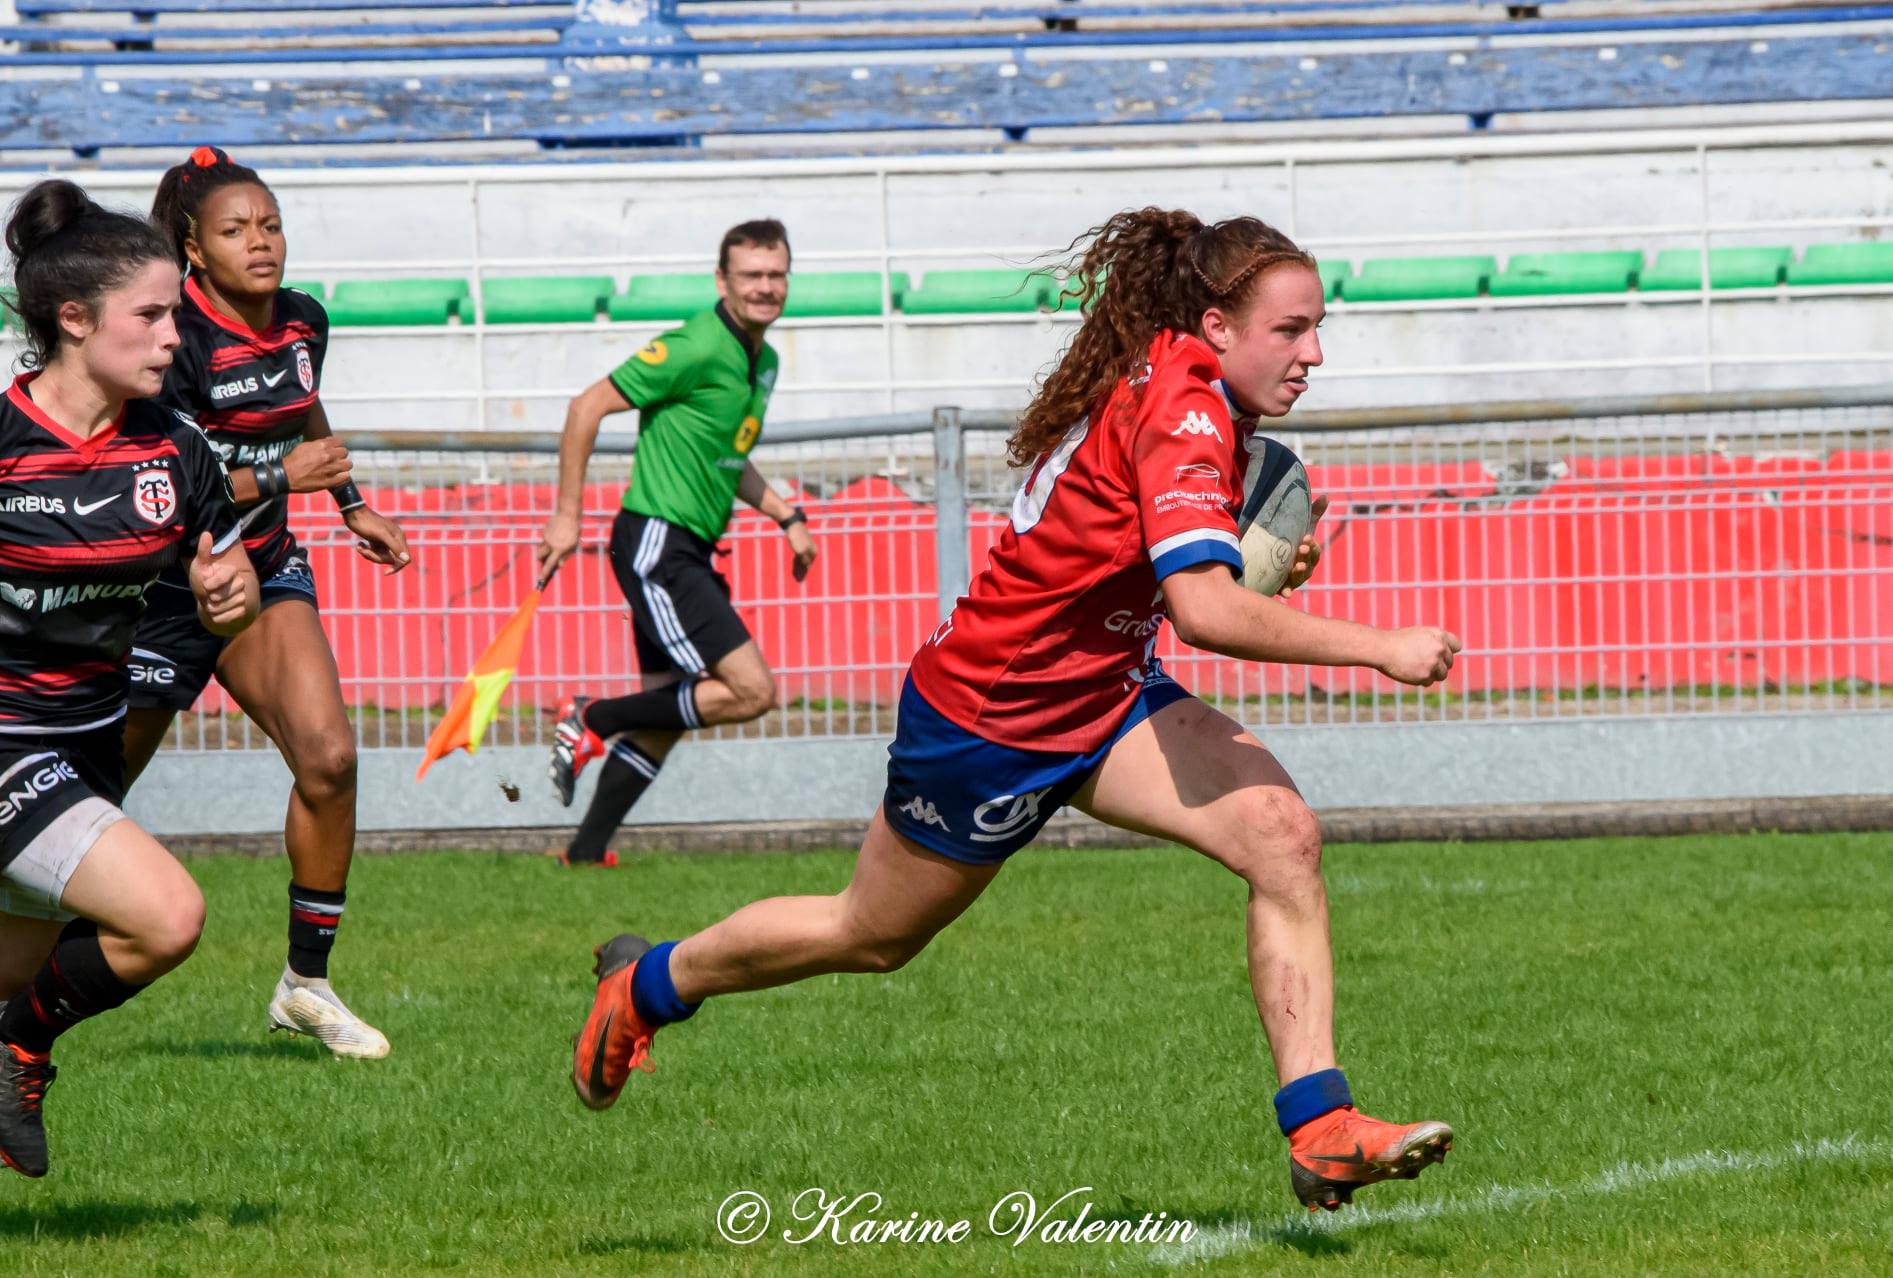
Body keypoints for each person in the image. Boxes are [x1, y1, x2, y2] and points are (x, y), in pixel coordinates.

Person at [564, 209, 1465, 1212]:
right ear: (1214, 325)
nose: (1314, 354)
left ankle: (1320, 1126)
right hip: (991, 720)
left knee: (1281, 835)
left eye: (1316, 327)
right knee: (868, 934)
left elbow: (1176, 568)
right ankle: (646, 986)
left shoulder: (1189, 381)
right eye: (1291, 330)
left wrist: (1255, 563)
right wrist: (1381, 647)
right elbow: (1206, 611)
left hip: (1106, 696)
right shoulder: (1188, 408)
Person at [123, 146, 410, 1058]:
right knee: (83, 798)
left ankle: (305, 985)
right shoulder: (169, 336)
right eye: (236, 229)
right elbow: (164, 482)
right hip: (162, 582)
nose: (262, 243)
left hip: (265, 566)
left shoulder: (302, 322)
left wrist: (352, 503)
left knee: (329, 759)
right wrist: (286, 473)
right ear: (194, 250)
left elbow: (302, 403)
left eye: (271, 224)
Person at [0, 179, 259, 1177]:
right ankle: (20, 1055)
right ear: (74, 319)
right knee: (166, 917)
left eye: (177, 316)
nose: (174, 340)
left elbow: (222, 567)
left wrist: (225, 594)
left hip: (87, 745)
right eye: (151, 316)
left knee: (15, 974)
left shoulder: (177, 448)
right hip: (10, 747)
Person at [535, 218, 817, 867]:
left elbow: (729, 457)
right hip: (656, 542)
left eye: (775, 275)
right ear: (723, 280)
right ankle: (592, 716)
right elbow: (585, 407)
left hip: (685, 547)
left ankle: (584, 853)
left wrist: (785, 515)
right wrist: (566, 515)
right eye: (751, 275)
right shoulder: (693, 346)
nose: (765, 288)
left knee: (669, 715)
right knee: (749, 690)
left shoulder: (762, 359)